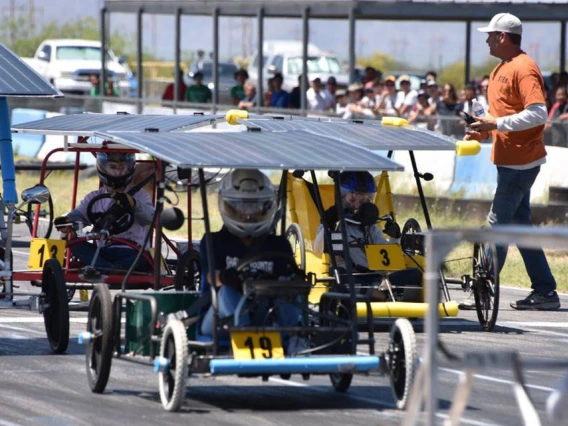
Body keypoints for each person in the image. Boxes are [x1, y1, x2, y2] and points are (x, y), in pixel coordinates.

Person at [461, 12, 560, 310]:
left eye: (490, 35)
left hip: (520, 161)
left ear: (502, 37)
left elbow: (538, 113)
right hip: (511, 158)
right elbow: (501, 115)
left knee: (497, 226)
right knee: (519, 227)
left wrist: (495, 125)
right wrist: (482, 130)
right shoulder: (501, 68)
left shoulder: (524, 68)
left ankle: (484, 292)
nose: (487, 40)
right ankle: (545, 292)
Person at [200, 169, 304, 346]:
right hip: (221, 318)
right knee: (227, 291)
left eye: (255, 207)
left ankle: (296, 337)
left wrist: (291, 279)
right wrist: (226, 277)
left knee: (289, 293)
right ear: (227, 206)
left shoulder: (278, 244)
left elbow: (289, 277)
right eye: (240, 207)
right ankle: (246, 336)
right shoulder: (214, 241)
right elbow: (211, 277)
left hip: (267, 314)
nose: (248, 214)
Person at [313, 171, 421, 302]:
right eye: (352, 199)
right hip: (349, 276)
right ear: (341, 197)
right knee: (338, 275)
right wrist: (327, 226)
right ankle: (385, 296)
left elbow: (389, 260)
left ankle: (376, 294)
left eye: (363, 201)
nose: (357, 205)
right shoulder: (333, 222)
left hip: (375, 278)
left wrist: (395, 236)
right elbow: (317, 251)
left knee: (415, 273)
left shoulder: (370, 227)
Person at [54, 152, 154, 275]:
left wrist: (134, 203)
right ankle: (110, 269)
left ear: (130, 168)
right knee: (74, 244)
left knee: (146, 258)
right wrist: (67, 222)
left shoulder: (140, 195)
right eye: (113, 167)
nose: (118, 173)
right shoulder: (94, 197)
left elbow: (151, 218)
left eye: (122, 167)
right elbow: (78, 216)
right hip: (103, 251)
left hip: (133, 251)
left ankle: (103, 268)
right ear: (103, 168)